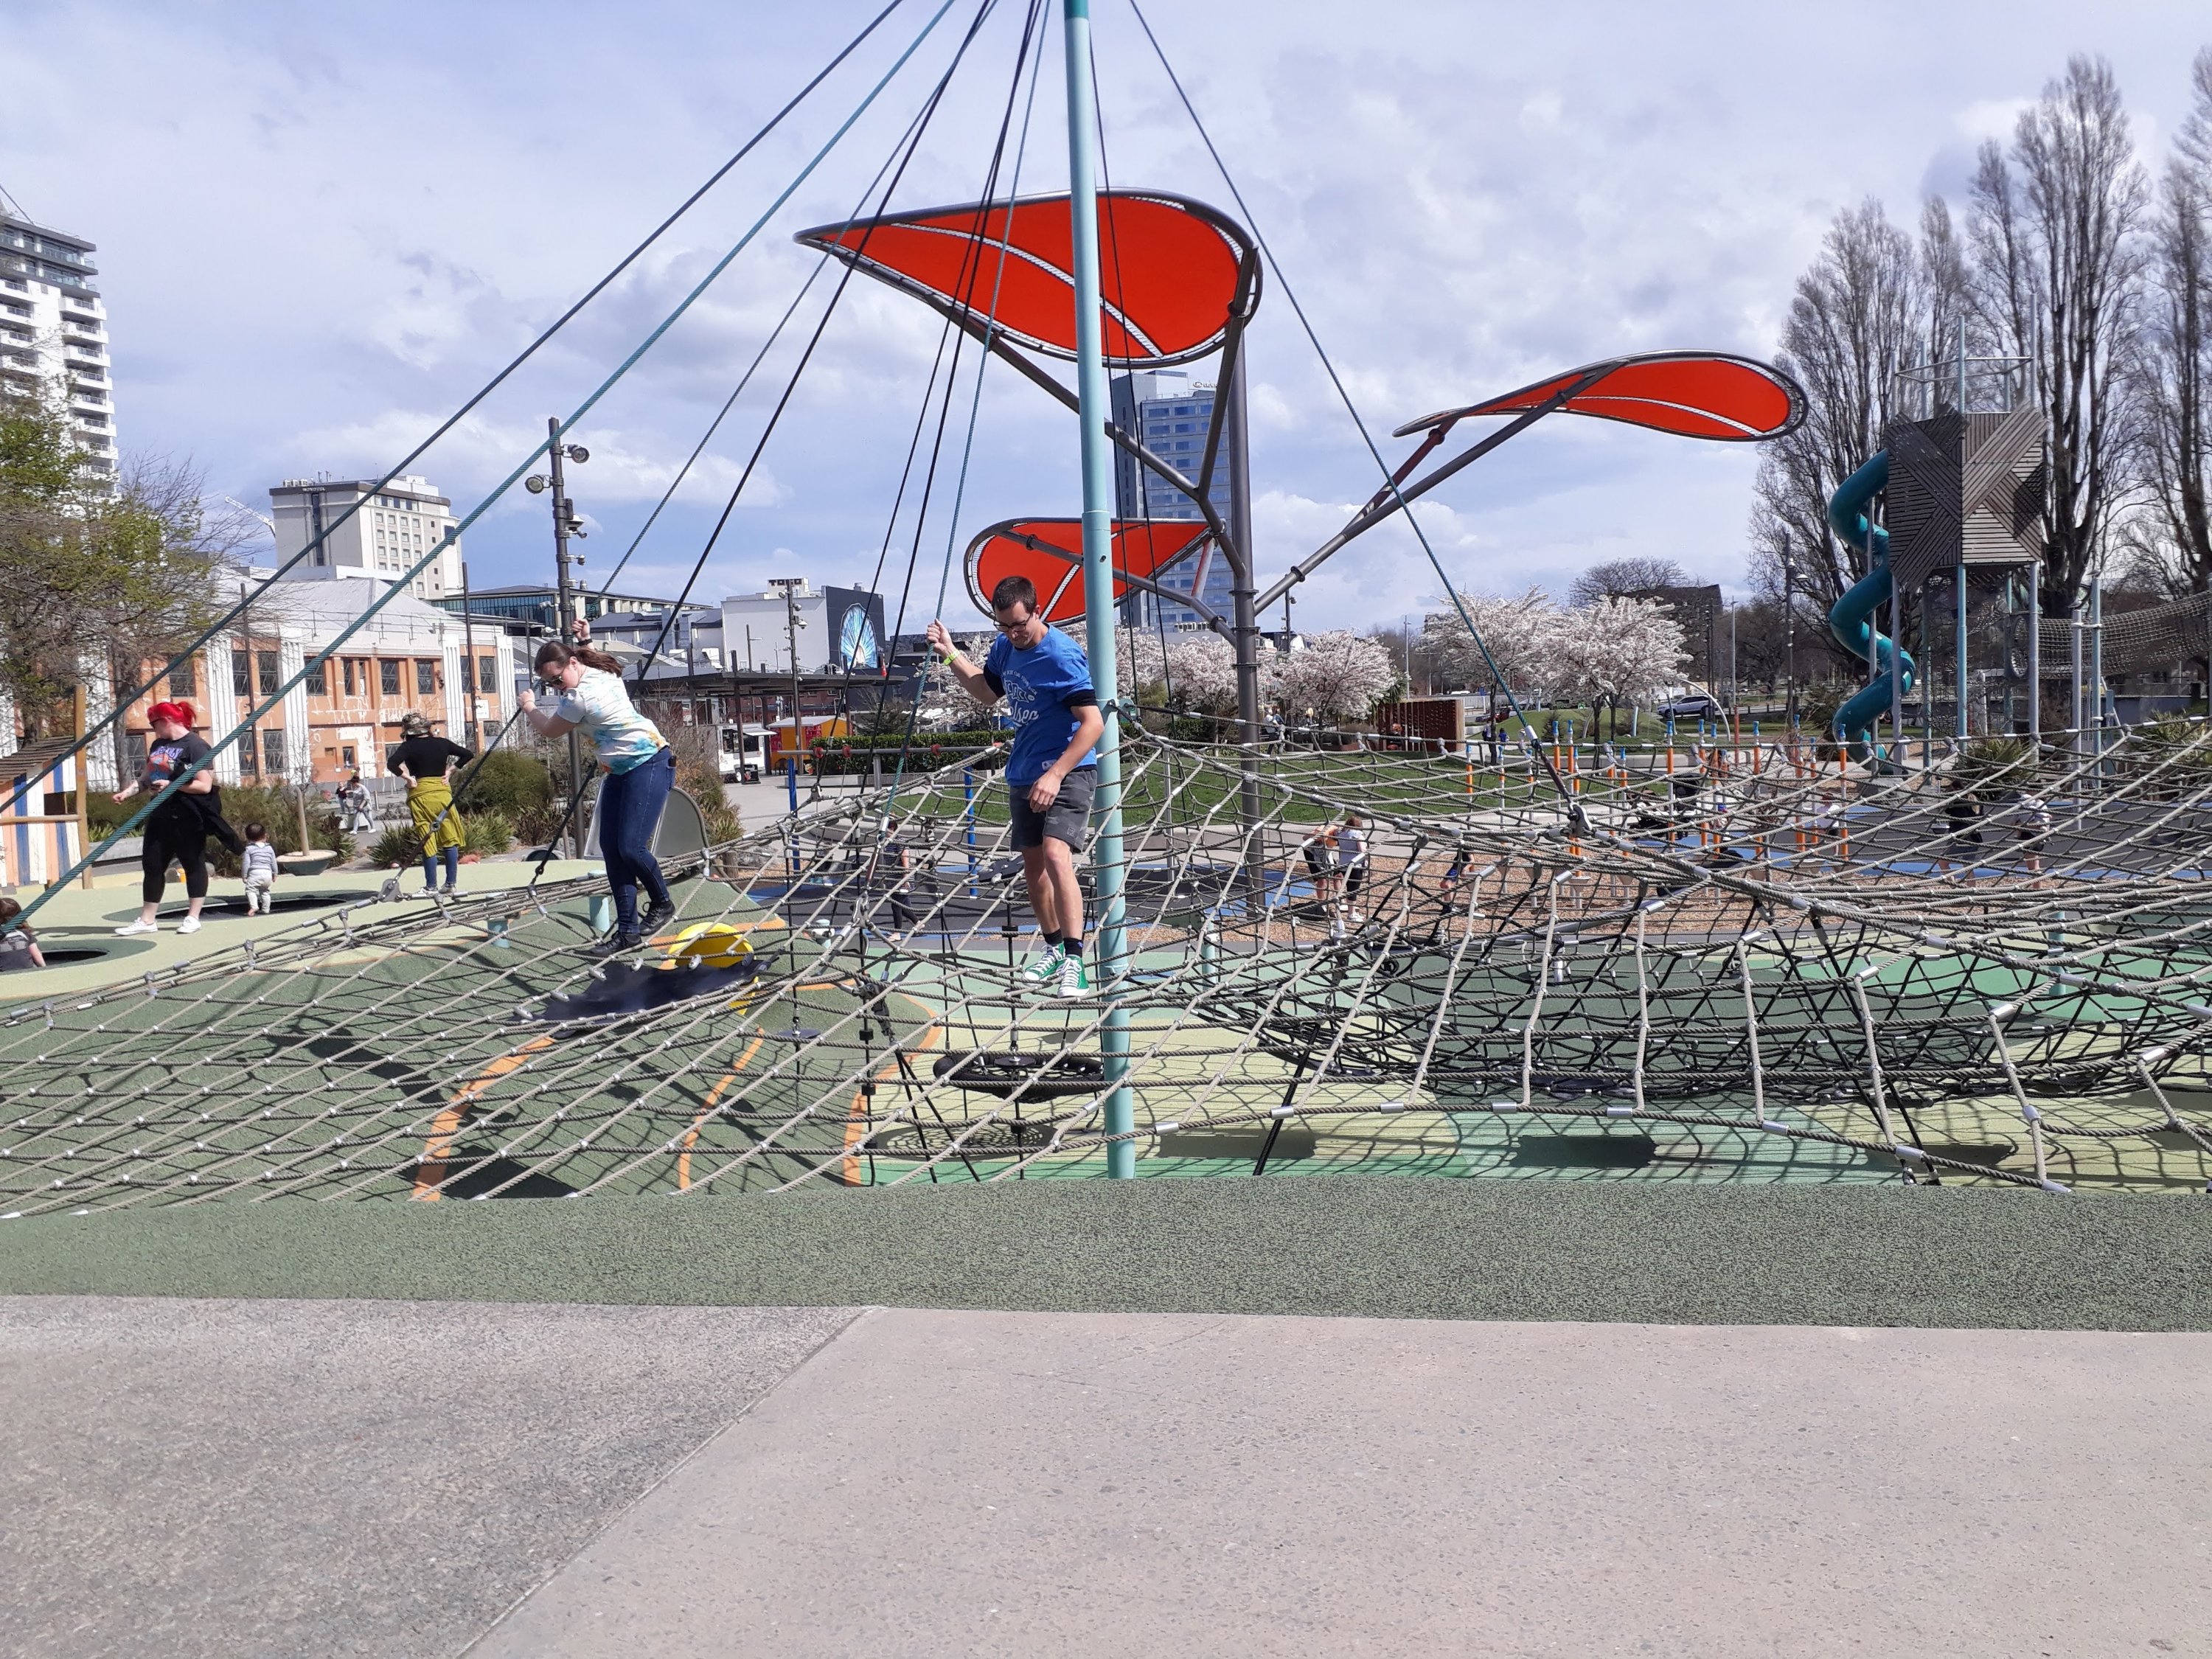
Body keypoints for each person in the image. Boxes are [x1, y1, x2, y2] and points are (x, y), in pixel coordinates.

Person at [925, 574, 1105, 998]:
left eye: (1018, 625)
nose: (1011, 633)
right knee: (1034, 868)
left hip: (1067, 770)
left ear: (1036, 611)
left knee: (1057, 856)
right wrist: (950, 654)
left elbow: (1093, 724)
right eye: (1003, 626)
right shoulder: (1005, 646)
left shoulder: (1061, 656)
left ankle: (1076, 963)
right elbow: (986, 692)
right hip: (1024, 772)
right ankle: (1054, 948)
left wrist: (1055, 774)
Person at [522, 623, 676, 951]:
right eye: (549, 684)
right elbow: (591, 656)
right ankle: (628, 932)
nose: (556, 687)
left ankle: (662, 903)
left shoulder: (578, 699)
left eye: (557, 679)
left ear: (572, 664)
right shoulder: (599, 671)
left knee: (630, 848)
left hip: (649, 762)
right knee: (612, 850)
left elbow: (549, 730)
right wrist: (585, 639)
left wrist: (529, 706)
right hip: (620, 771)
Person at [112, 700, 236, 937]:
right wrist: (127, 793)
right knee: (152, 865)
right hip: (160, 812)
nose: (152, 729)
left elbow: (204, 785)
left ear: (167, 720)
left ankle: (193, 917)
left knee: (193, 863)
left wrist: (172, 785)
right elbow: (147, 777)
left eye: (154, 723)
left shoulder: (196, 746)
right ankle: (147, 920)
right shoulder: (158, 745)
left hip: (188, 813)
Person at [387, 711, 474, 896]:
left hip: (422, 793)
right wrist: (450, 771)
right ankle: (450, 884)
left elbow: (392, 764)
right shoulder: (442, 743)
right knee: (450, 838)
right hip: (442, 793)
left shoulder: (408, 747)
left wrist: (408, 779)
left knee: (427, 839)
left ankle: (431, 886)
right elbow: (467, 754)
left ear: (409, 731)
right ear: (426, 728)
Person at [240, 823, 279, 915]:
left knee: (250, 890)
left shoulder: (249, 849)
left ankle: (254, 906)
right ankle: (266, 909)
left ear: (248, 838)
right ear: (265, 835)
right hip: (267, 874)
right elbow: (273, 862)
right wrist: (275, 874)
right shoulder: (269, 849)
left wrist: (244, 876)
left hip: (255, 873)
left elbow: (246, 863)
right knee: (265, 892)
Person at [0, 897, 46, 970]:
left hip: (4, 971)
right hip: (27, 969)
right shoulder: (24, 933)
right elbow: (36, 954)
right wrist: (44, 967)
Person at [2014, 788, 2051, 877]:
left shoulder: (2038, 805)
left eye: (2029, 791)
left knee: (2034, 867)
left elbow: (2041, 823)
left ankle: (2038, 884)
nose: (2026, 792)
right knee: (2032, 866)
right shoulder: (2028, 806)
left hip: (2032, 836)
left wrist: (2023, 825)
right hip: (2030, 836)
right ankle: (2036, 883)